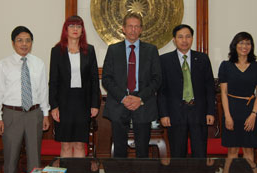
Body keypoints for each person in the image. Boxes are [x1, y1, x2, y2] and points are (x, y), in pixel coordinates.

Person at [0, 26, 50, 173]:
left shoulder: (38, 63)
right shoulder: (3, 65)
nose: (24, 44)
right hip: (11, 114)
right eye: (20, 40)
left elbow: (43, 91)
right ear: (13, 42)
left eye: (27, 40)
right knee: (10, 157)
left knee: (34, 158)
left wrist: (46, 113)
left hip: (34, 114)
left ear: (32, 43)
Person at [102, 12, 162, 158]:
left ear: (141, 29)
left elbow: (157, 79)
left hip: (143, 104)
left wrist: (139, 98)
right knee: (119, 151)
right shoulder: (113, 50)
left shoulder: (151, 50)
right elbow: (106, 79)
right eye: (130, 26)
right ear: (123, 28)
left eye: (136, 27)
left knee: (142, 151)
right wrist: (124, 98)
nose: (133, 30)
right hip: (119, 103)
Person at [157, 24, 215, 158]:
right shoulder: (164, 60)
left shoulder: (202, 59)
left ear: (192, 38)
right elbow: (162, 91)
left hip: (198, 111)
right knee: (177, 153)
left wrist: (210, 111)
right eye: (180, 37)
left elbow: (209, 88)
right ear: (174, 40)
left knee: (200, 152)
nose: (184, 40)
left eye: (188, 36)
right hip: (175, 113)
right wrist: (163, 114)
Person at [49, 15, 100, 157]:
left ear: (82, 30)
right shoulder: (57, 51)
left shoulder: (89, 50)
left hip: (83, 102)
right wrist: (54, 106)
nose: (75, 29)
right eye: (72, 26)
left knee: (79, 143)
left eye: (78, 26)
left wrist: (95, 104)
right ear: (66, 29)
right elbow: (53, 81)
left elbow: (94, 79)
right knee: (65, 144)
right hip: (64, 103)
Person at [218, 32, 257, 161]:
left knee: (249, 150)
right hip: (231, 110)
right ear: (235, 45)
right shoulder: (225, 66)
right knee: (232, 150)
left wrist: (253, 114)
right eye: (241, 42)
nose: (245, 46)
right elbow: (223, 93)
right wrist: (227, 116)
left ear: (252, 46)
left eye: (248, 43)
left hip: (250, 111)